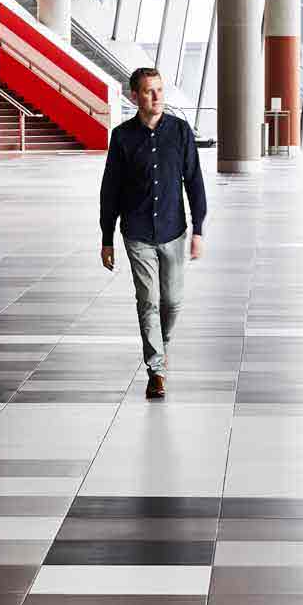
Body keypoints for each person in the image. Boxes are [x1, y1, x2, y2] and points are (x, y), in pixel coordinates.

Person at [99, 66, 206, 399]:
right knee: (149, 301)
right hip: (138, 232)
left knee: (172, 302)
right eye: (149, 91)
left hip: (174, 230)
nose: (157, 96)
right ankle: (156, 370)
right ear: (135, 96)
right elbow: (110, 190)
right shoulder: (122, 137)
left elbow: (195, 182)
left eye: (160, 90)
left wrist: (198, 229)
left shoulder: (180, 131)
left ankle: (161, 346)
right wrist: (107, 238)